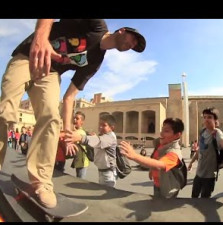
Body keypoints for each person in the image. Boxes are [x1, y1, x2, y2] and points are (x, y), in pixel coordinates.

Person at [0, 19, 146, 208]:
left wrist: (68, 132)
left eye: (134, 46)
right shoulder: (96, 25)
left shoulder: (95, 61)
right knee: (6, 111)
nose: (131, 45)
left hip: (50, 74)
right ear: (122, 30)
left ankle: (41, 183)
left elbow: (70, 96)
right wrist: (41, 38)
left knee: (52, 119)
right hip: (28, 56)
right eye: (132, 39)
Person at [120, 118, 184, 199]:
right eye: (162, 130)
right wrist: (151, 170)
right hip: (157, 183)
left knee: (161, 208)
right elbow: (155, 158)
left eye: (166, 131)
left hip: (167, 190)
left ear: (177, 135)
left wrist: (134, 156)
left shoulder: (174, 153)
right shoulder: (162, 143)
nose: (161, 133)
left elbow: (159, 165)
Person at [188, 107, 223, 198]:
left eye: (209, 117)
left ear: (215, 120)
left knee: (205, 201)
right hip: (198, 174)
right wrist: (191, 162)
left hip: (209, 176)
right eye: (204, 117)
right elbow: (200, 150)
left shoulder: (217, 133)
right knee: (193, 198)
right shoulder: (203, 132)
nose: (206, 119)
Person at [66, 114, 118, 188]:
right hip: (102, 172)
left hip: (108, 174)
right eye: (99, 124)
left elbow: (99, 141)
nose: (100, 127)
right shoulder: (102, 135)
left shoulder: (110, 137)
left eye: (104, 125)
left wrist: (80, 138)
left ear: (112, 128)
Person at [72, 111, 90, 179]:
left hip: (82, 162)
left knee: (80, 180)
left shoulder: (80, 132)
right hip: (79, 161)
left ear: (82, 122)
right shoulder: (76, 131)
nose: (74, 120)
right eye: (74, 118)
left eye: (77, 119)